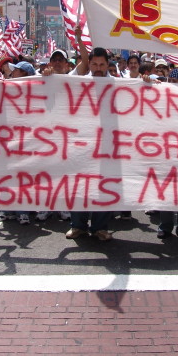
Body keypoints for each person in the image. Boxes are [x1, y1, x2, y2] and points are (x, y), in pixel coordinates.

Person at [66, 47, 114, 241]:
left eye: (102, 64)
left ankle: (100, 227)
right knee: (79, 184)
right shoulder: (78, 81)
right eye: (94, 64)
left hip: (106, 145)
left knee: (104, 186)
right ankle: (78, 226)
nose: (98, 68)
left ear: (107, 65)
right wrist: (48, 75)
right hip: (81, 143)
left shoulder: (118, 84)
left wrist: (145, 83)